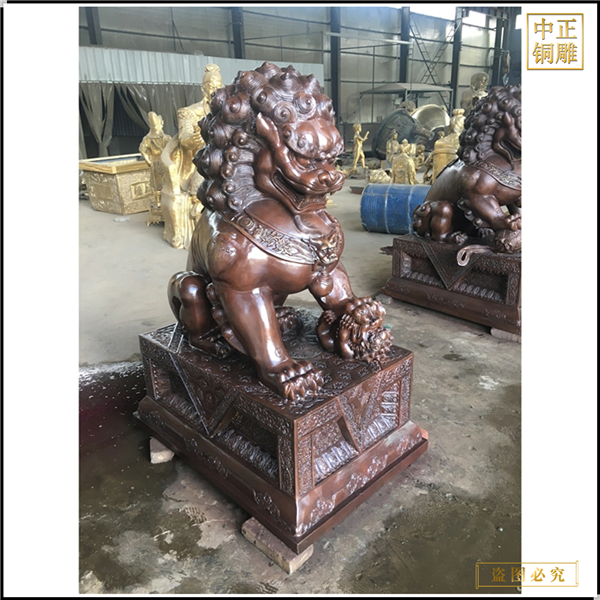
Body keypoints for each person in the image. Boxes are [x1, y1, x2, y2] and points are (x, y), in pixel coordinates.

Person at [139, 112, 171, 224]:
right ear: (162, 124)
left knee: (160, 185)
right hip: (162, 163)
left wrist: (149, 161)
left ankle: (160, 202)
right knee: (161, 185)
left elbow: (142, 150)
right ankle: (160, 203)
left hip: (157, 162)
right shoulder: (165, 138)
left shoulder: (149, 138)